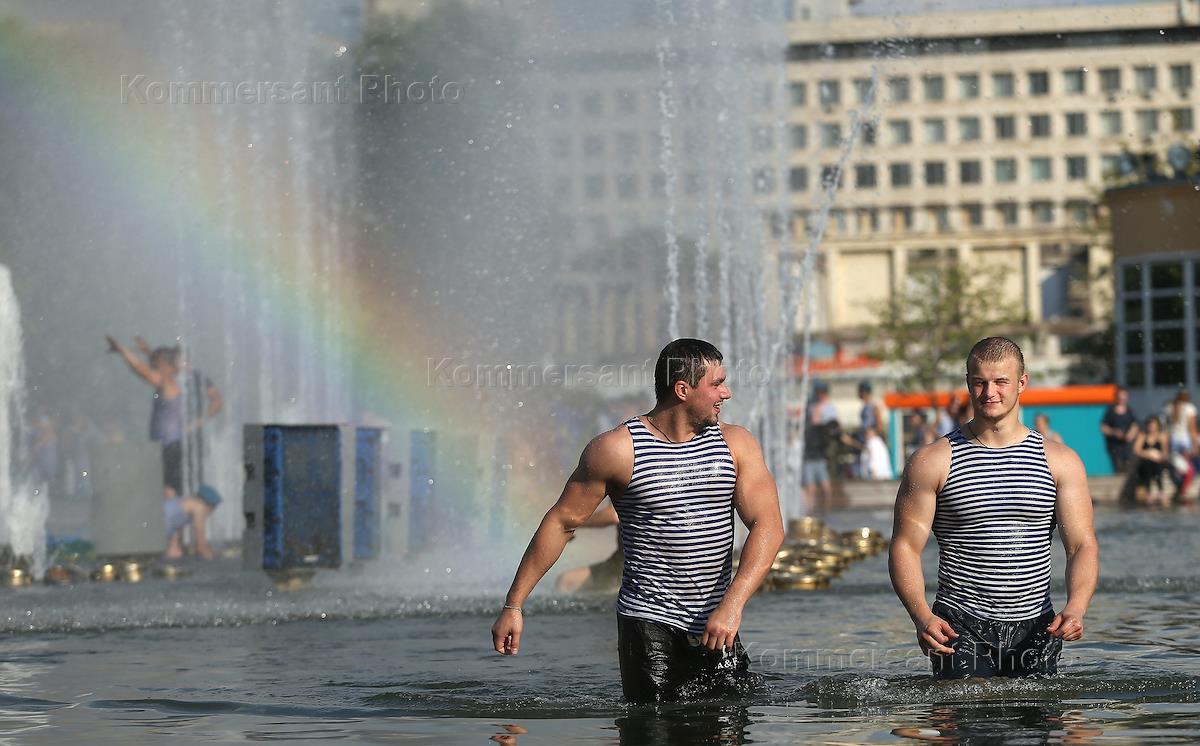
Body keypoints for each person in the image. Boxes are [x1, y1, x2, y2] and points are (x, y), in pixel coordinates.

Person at [490, 339, 785, 703]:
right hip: (647, 626)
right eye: (716, 384)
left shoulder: (736, 443)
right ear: (682, 389)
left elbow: (769, 525)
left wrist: (733, 604)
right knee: (654, 725)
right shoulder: (617, 450)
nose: (727, 392)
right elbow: (561, 522)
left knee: (730, 723)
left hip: (718, 622)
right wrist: (514, 605)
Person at [889, 337, 1099, 679]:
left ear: (1021, 382)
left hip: (1037, 627)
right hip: (957, 625)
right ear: (968, 384)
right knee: (965, 722)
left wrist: (1076, 607)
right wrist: (921, 615)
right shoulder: (932, 461)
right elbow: (904, 546)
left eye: (1001, 381)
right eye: (979, 382)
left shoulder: (1060, 461)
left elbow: (1081, 545)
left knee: (1035, 727)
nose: (990, 392)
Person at [106, 335, 215, 560]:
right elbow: (155, 364)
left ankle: (174, 546)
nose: (152, 368)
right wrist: (147, 352)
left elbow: (140, 369)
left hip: (169, 448)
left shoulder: (167, 382)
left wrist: (123, 349)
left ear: (164, 367)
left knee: (168, 493)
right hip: (170, 447)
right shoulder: (173, 380)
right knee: (169, 492)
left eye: (155, 365)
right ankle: (176, 544)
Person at [554, 502, 623, 594]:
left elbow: (613, 515)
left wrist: (573, 524)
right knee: (566, 582)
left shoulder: (627, 488)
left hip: (631, 566)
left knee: (566, 583)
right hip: (620, 564)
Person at [802, 382, 839, 514]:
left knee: (826, 487)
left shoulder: (825, 424)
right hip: (809, 458)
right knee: (810, 488)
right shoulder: (809, 425)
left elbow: (834, 428)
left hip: (819, 457)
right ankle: (809, 512)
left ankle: (827, 511)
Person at [1131, 416, 1171, 506]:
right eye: (1150, 425)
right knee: (1148, 465)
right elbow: (1136, 450)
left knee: (1157, 466)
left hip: (1158, 462)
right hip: (1145, 463)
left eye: (1154, 425)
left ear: (1157, 426)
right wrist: (1148, 454)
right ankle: (1148, 494)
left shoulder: (1162, 436)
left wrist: (1159, 456)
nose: (1152, 427)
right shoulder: (1143, 435)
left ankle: (1161, 492)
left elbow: (1165, 453)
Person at [1100, 385, 1139, 474]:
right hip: (1115, 446)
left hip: (1127, 445)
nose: (1122, 398)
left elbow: (1135, 425)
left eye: (1124, 395)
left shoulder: (1130, 411)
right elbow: (1103, 428)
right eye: (1120, 395)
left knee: (1128, 467)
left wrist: (1131, 434)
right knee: (1118, 467)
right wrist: (1114, 432)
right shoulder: (1110, 411)